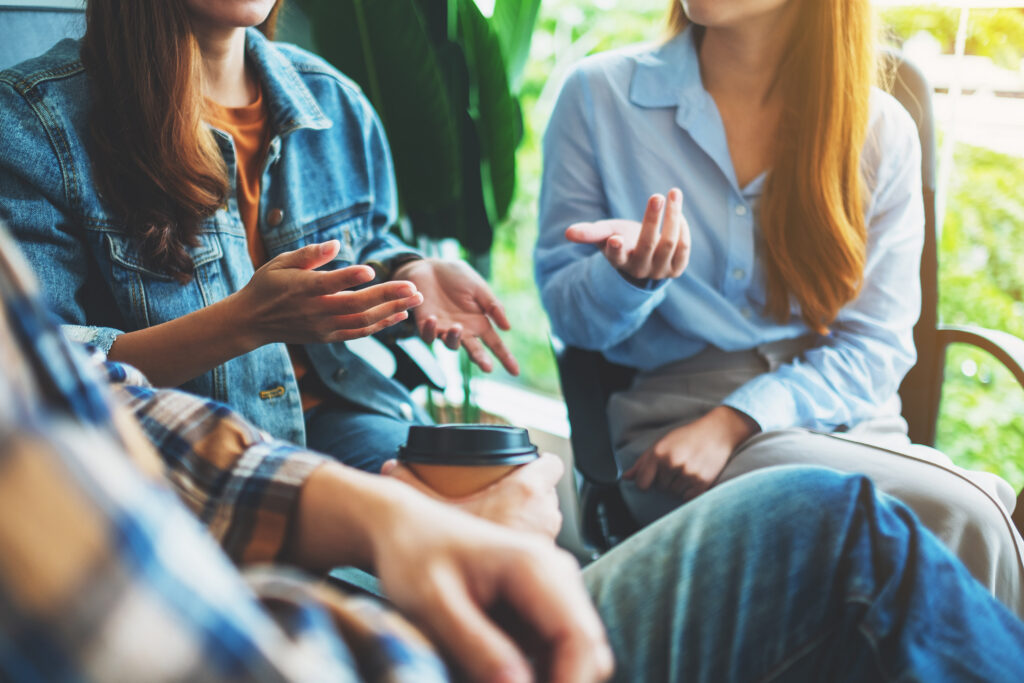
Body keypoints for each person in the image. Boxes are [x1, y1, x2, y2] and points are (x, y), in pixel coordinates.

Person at [1, 223, 1023, 683]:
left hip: (355, 467)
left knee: (857, 515)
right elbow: (582, 323)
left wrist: (385, 507)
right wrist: (239, 323)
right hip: (315, 605)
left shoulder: (323, 96)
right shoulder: (39, 114)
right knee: (841, 534)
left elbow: (89, 399)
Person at [535, 0, 1024, 615]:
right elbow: (569, 323)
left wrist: (737, 419)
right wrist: (626, 279)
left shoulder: (880, 129)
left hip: (846, 422)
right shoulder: (599, 97)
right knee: (968, 514)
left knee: (959, 518)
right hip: (676, 441)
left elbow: (876, 346)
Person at [0, 0, 518, 474]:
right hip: (172, 450)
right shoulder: (33, 123)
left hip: (339, 419)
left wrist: (406, 271)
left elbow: (366, 245)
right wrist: (246, 323)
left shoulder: (334, 100)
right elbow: (36, 368)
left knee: (501, 492)